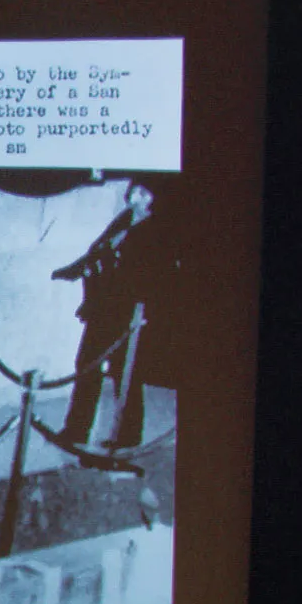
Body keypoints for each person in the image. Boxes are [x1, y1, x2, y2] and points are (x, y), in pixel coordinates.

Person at [50, 183, 176, 450]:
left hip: (128, 313)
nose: (136, 197)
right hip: (102, 307)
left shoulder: (160, 230)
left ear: (156, 198)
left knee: (126, 373)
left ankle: (128, 437)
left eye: (145, 192)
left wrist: (145, 309)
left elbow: (160, 277)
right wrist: (70, 271)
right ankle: (76, 430)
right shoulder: (125, 219)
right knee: (87, 364)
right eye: (135, 190)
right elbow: (97, 251)